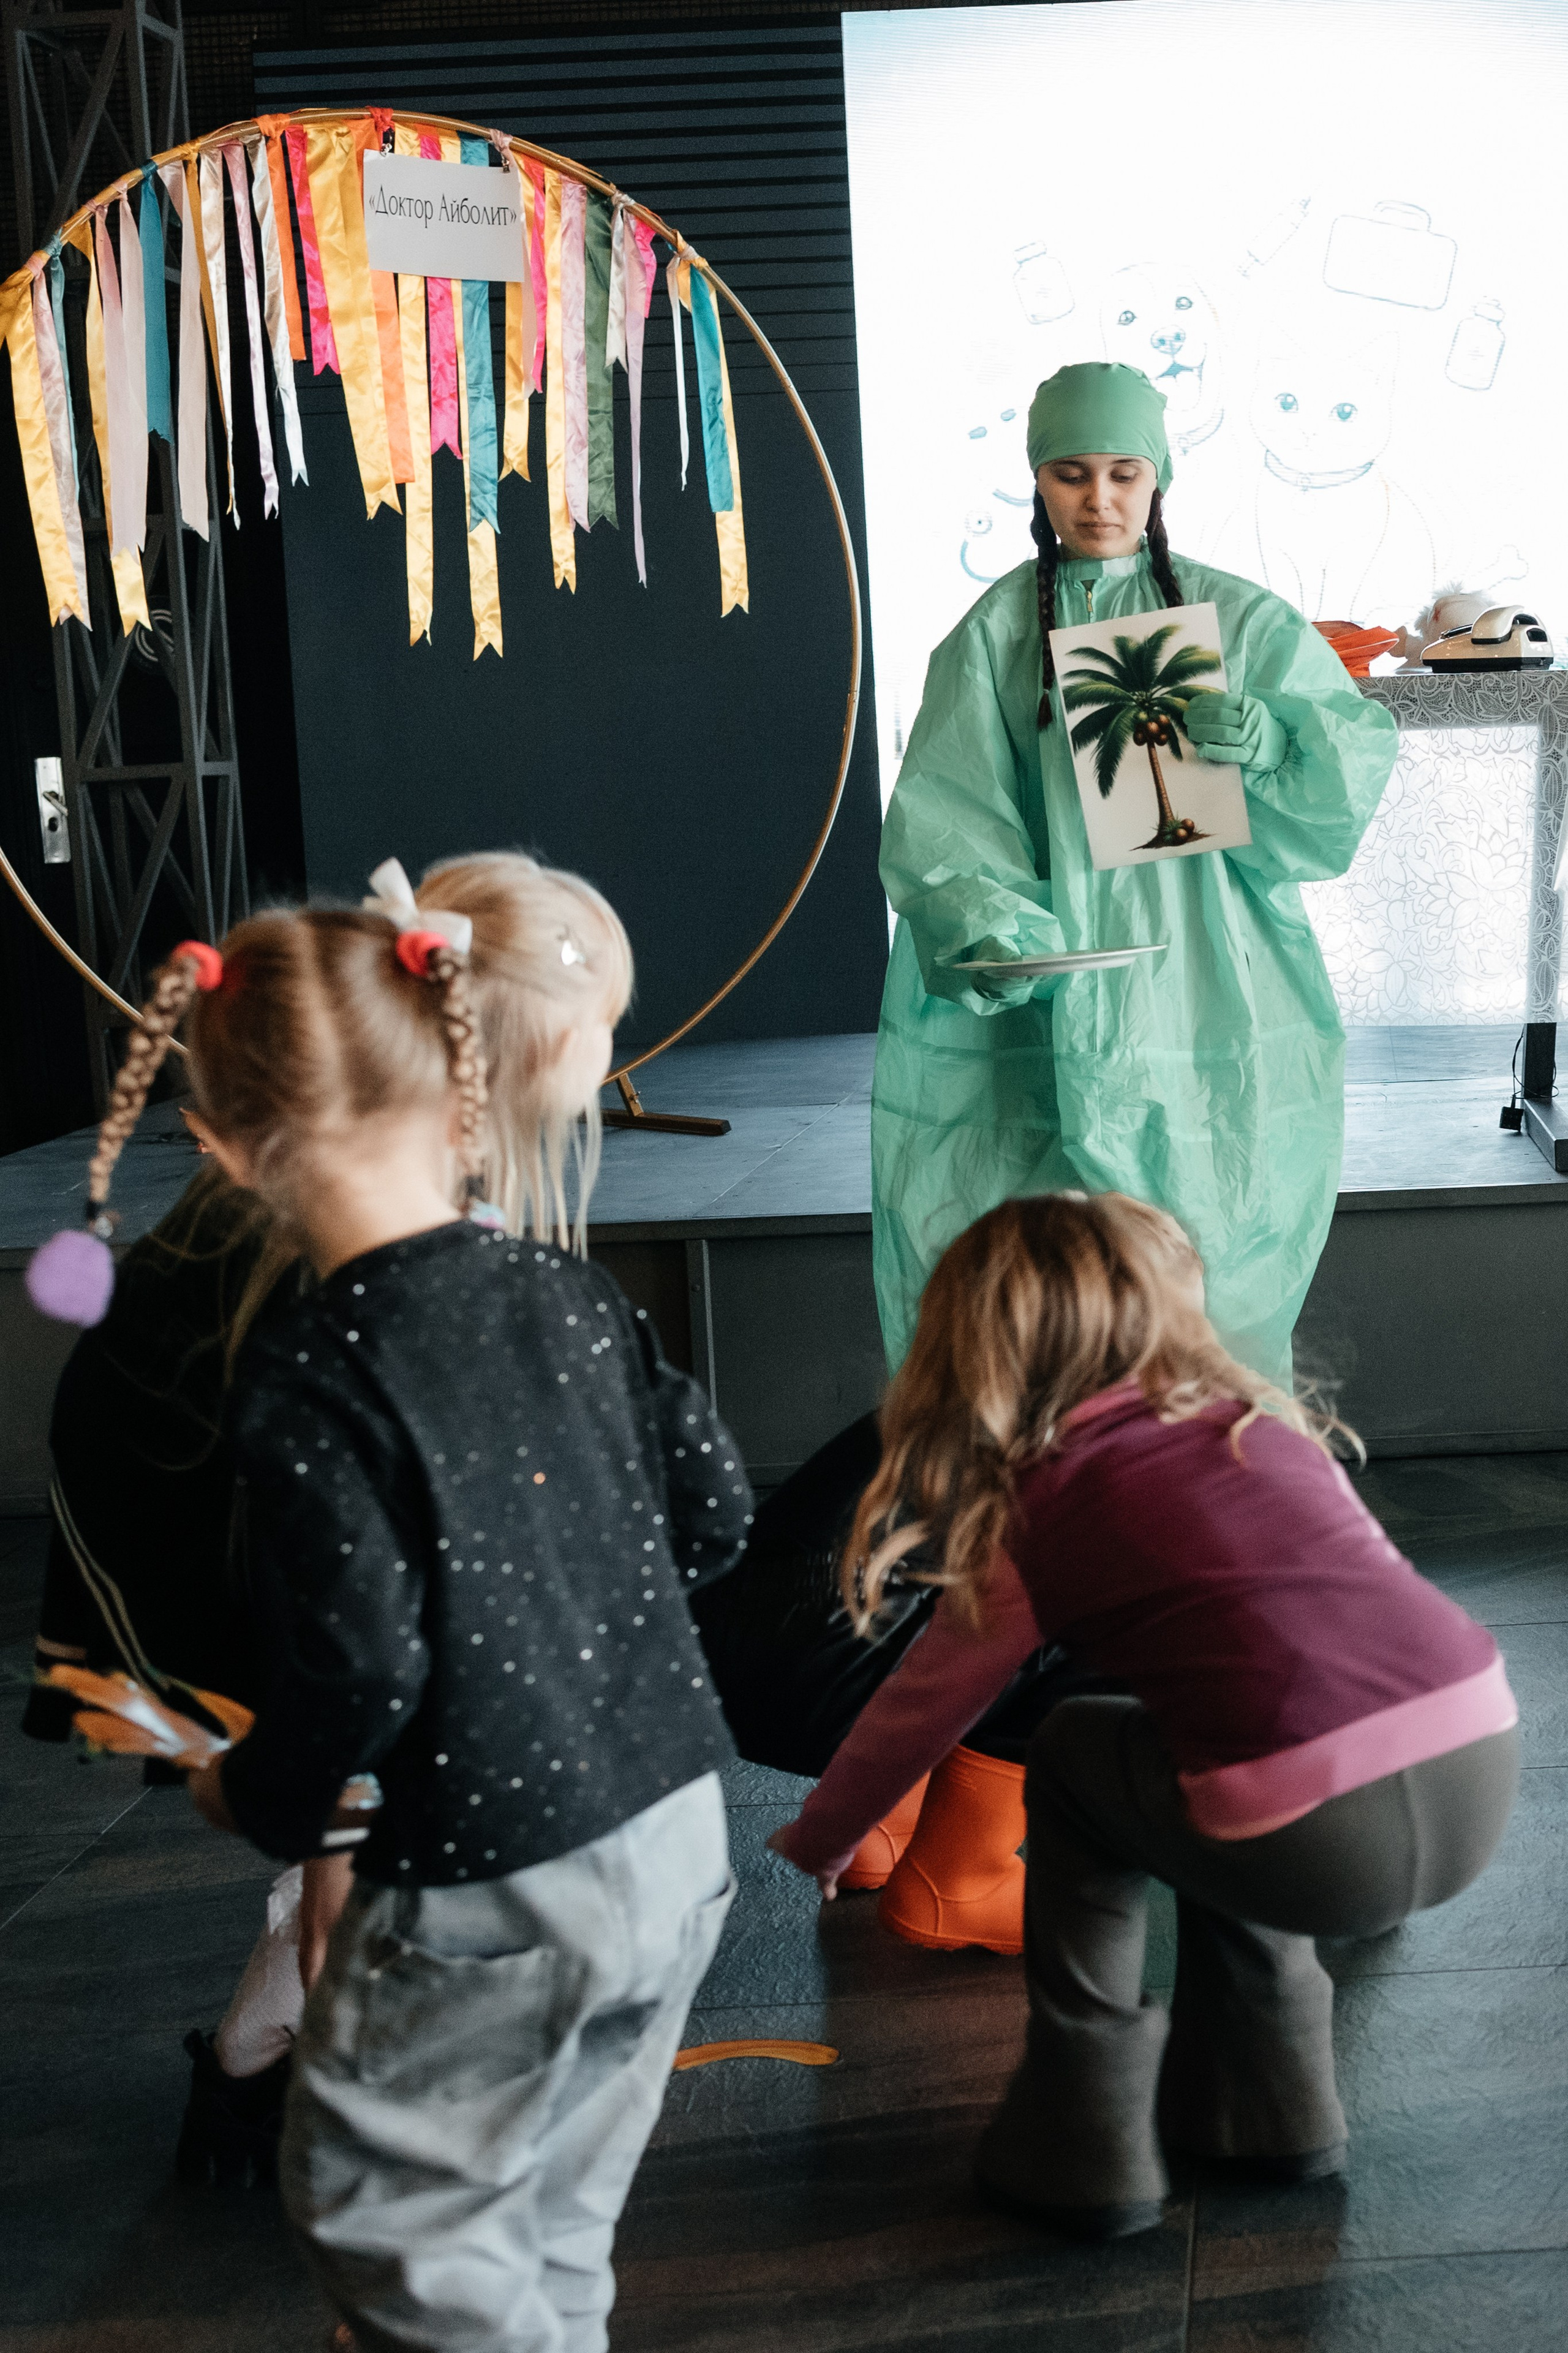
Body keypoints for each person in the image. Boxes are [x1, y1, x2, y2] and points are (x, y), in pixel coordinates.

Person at [45, 893, 752, 2353]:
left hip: (485, 1883)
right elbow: (716, 1513)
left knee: (400, 2233)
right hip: (680, 1840)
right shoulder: (570, 1287)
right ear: (461, 1080)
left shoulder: (306, 1370)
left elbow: (358, 1663)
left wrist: (256, 1790)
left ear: (226, 1144)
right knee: (557, 2219)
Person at [769, 1192, 1518, 2242]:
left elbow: (924, 1705)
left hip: (1321, 1834)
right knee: (1218, 1749)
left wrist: (824, 1835)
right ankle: (1271, 2111)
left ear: (977, 1349)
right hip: (1479, 1760)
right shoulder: (1261, 1423)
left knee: (1081, 1746)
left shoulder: (1043, 1503)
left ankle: (1084, 2147)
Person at [873, 360, 1400, 1385]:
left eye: (1124, 471)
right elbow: (949, 823)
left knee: (1217, 1259)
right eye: (1072, 472)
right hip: (1048, 998)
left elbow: (1339, 787)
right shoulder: (995, 639)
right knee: (1040, 1300)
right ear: (1037, 480)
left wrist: (1276, 743)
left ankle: (1209, 1498)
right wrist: (998, 931)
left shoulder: (1241, 623)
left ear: (1158, 479)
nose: (1100, 498)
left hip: (1218, 988)